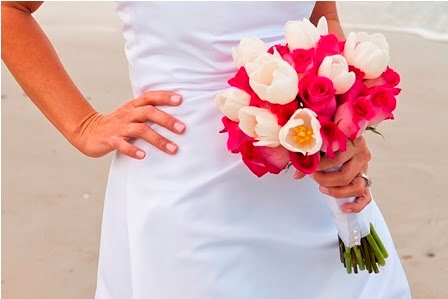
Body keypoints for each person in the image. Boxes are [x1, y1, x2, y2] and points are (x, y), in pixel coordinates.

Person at [2, 1, 411, 298]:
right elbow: (11, 10)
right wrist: (84, 124)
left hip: (312, 182)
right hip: (189, 193)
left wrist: (346, 121)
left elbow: (323, 16)